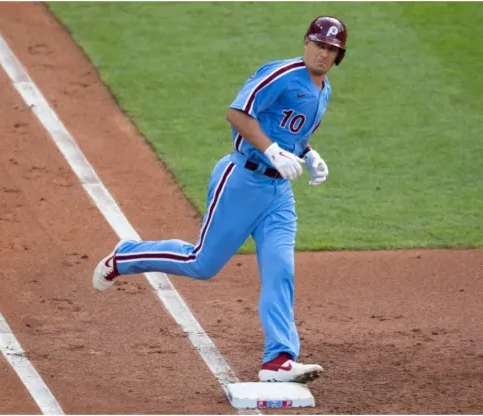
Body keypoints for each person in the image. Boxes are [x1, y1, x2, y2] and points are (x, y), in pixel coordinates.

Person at [93, 16, 348, 383]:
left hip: (278, 195)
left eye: (331, 49)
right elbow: (237, 113)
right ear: (307, 43)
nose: (323, 54)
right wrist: (272, 150)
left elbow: (293, 132)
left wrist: (308, 154)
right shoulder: (281, 74)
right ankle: (126, 256)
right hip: (242, 180)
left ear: (338, 56)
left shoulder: (323, 92)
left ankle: (278, 359)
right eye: (319, 45)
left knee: (280, 271)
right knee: (202, 263)